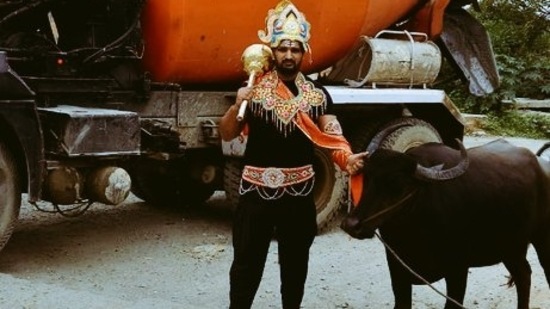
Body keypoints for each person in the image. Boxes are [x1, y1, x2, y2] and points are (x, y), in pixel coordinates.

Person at [219, 1, 367, 308]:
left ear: (304, 52)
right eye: (283, 48)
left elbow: (333, 138)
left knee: (295, 268)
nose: (288, 55)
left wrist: (347, 159)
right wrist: (237, 105)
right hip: (254, 194)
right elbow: (227, 133)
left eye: (295, 49)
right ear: (272, 51)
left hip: (298, 197)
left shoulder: (317, 96)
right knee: (246, 266)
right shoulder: (254, 91)